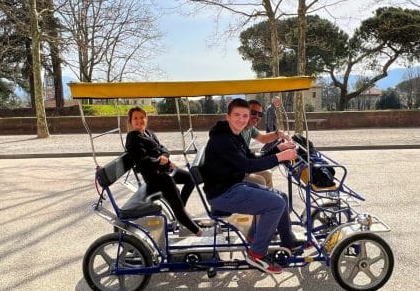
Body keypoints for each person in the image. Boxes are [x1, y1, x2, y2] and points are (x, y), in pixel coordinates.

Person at [202, 98, 303, 274]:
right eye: (237, 115)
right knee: (276, 203)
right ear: (228, 117)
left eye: (245, 116)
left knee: (282, 198)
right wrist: (281, 157)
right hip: (222, 193)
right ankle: (256, 253)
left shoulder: (235, 135)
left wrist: (278, 150)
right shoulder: (223, 139)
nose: (241, 119)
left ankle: (289, 242)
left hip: (233, 185)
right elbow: (247, 166)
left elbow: (252, 158)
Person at [124, 107, 204, 236]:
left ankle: (180, 208)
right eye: (135, 118)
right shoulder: (132, 138)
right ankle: (196, 230)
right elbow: (141, 162)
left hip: (164, 169)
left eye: (142, 117)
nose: (139, 121)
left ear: (146, 118)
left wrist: (165, 156)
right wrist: (159, 161)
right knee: (173, 193)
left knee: (191, 178)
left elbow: (162, 148)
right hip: (155, 177)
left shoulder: (149, 133)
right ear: (130, 122)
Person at [240, 99, 289, 189]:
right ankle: (263, 200)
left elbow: (263, 138)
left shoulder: (250, 127)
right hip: (230, 174)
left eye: (260, 114)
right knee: (260, 181)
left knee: (268, 173)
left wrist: (278, 133)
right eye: (253, 112)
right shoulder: (237, 129)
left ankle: (269, 199)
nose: (257, 116)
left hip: (242, 166)